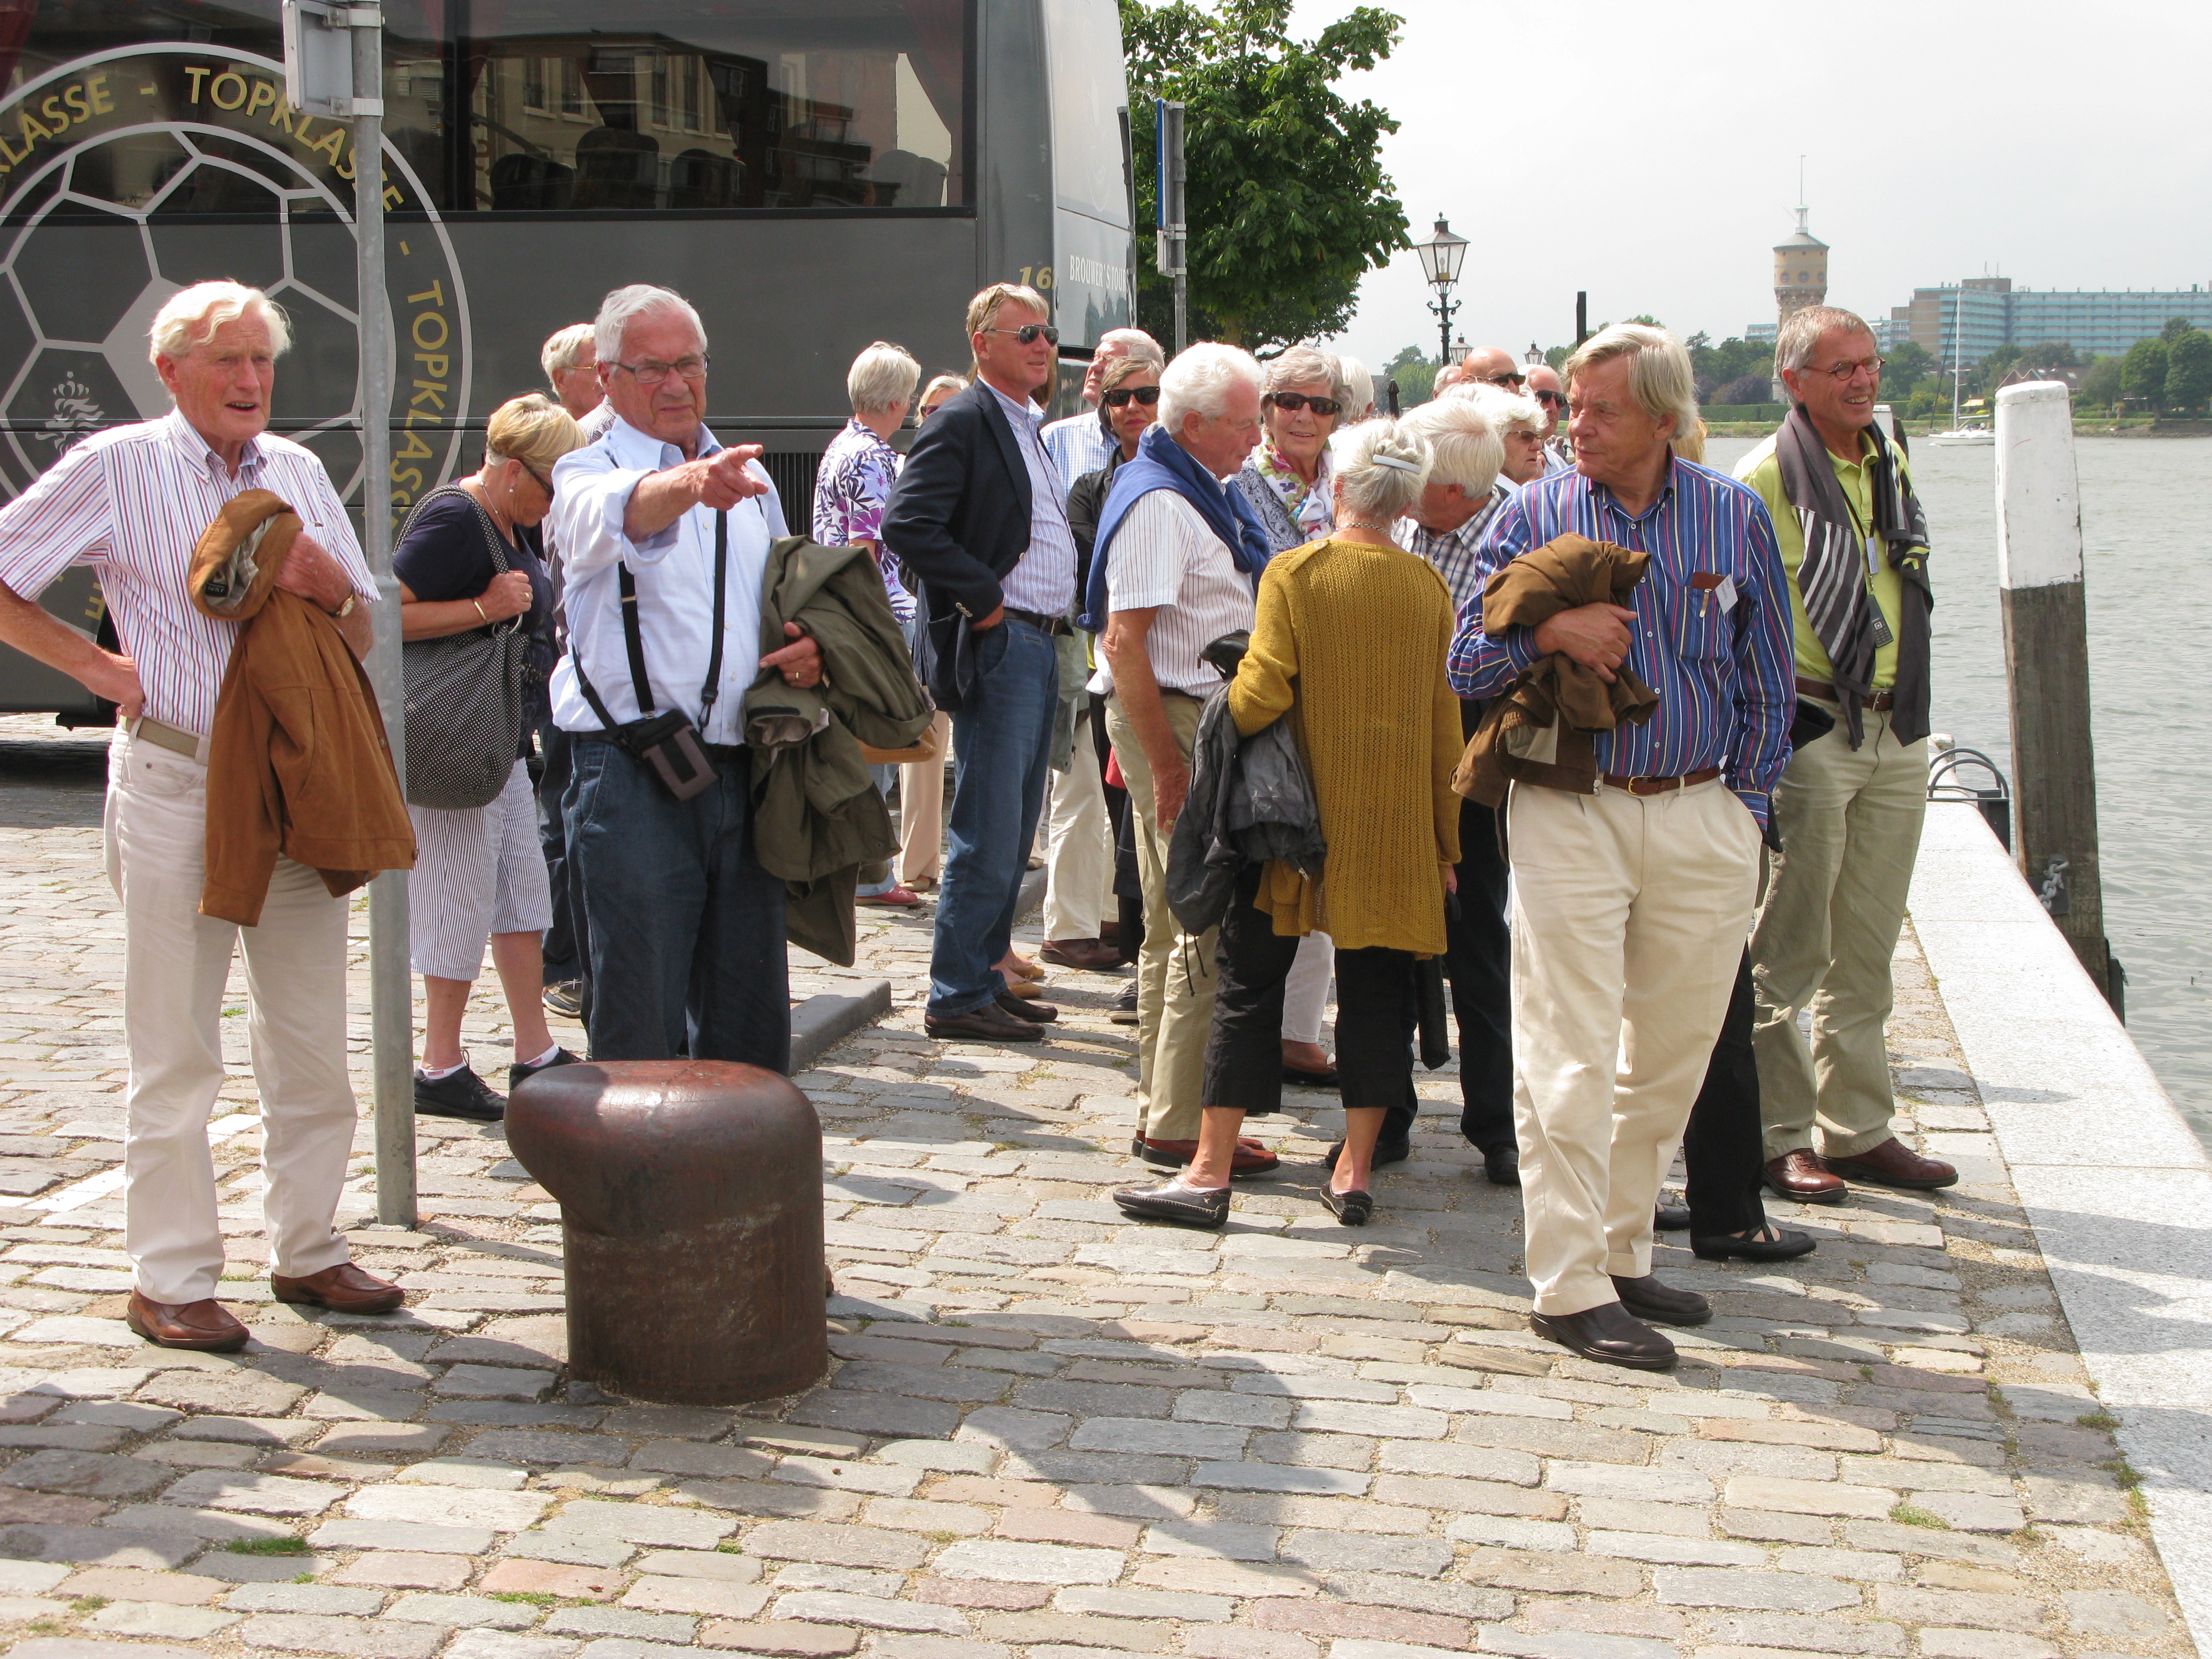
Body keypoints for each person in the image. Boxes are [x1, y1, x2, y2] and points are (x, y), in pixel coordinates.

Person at [0, 279, 406, 1350]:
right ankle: (171, 1278)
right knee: (178, 1047)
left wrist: (326, 585)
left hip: (295, 786)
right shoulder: (118, 465)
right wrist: (97, 669)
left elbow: (361, 634)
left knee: (312, 1040)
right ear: (169, 370)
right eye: (227, 358)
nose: (249, 379)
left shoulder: (299, 472)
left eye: (262, 359)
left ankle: (309, 1247)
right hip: (180, 780)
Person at [1450, 324, 1792, 1370]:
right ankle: (1567, 1286)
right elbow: (1464, 660)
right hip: (1571, 809)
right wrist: (1548, 633)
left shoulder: (1733, 515)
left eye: (1601, 409)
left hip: (1702, 811)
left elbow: (1770, 674)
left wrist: (1745, 804)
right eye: (1576, 405)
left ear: (1662, 417)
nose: (1576, 426)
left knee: (1674, 1054)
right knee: (1570, 1049)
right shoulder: (1532, 511)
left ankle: (1619, 1247)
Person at [1114, 421, 1460, 1229]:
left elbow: (1264, 688)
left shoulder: (1297, 572)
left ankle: (1208, 1171)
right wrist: (1445, 843)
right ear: (1405, 503)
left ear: (1338, 490)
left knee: (1248, 984)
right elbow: (1445, 725)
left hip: (1291, 825)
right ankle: (1355, 1170)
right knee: (1375, 997)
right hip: (1394, 827)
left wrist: (1217, 719)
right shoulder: (1427, 588)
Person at [547, 284, 823, 1066]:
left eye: (689, 365)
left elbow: (779, 599)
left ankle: (740, 1151)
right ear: (607, 379)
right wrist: (692, 484)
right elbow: (622, 513)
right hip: (632, 775)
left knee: (749, 1027)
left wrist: (806, 650)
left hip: (743, 769)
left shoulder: (747, 481)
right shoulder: (584, 471)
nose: (675, 384)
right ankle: (635, 1154)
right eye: (651, 369)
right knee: (638, 1026)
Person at [1735, 306, 1952, 1203]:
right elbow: (1735, 607)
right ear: (1795, 381)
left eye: (1870, 365)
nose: (1863, 381)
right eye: (1842, 369)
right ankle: (1778, 1135)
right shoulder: (1764, 477)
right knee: (1790, 944)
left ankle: (1858, 1128)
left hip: (1896, 725)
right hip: (1816, 725)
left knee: (1867, 942)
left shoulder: (1887, 460)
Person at [1092, 343, 1279, 1175]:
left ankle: (1168, 1114)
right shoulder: (1163, 502)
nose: (1257, 436)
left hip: (1187, 718)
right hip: (1173, 720)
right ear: (1194, 425)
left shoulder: (1197, 487)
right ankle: (1177, 1125)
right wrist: (1168, 768)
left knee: (1177, 922)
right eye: (1244, 422)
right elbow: (1123, 642)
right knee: (1200, 921)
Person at [881, 284, 1075, 1044]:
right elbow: (907, 524)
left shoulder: (1026, 424)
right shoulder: (963, 418)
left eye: (1047, 332)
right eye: (1025, 333)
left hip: (1039, 641)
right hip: (1002, 640)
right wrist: (984, 599)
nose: (1042, 343)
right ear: (981, 343)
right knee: (988, 828)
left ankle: (987, 973)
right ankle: (957, 993)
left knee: (1016, 825)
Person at [398, 394, 583, 1122]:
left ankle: (533, 1049)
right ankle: (438, 1065)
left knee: (520, 895)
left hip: (499, 743)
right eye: (550, 485)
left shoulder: (509, 519)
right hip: (453, 743)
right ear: (512, 471)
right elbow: (382, 612)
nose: (554, 502)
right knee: (456, 900)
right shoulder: (456, 519)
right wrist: (483, 608)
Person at [1392, 393, 1519, 1186]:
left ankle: (1497, 1125)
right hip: (1395, 743)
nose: (1400, 480)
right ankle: (1385, 1112)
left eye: (1414, 471)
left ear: (1455, 488)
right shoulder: (1407, 524)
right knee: (1385, 936)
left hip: (1472, 753)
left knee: (1477, 940)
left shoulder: (1512, 533)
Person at [1232, 347, 1348, 1086]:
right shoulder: (1239, 484)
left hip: (1340, 693)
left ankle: (1300, 1031)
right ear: (1267, 408)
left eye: (1321, 404)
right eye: (1289, 401)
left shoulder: (1353, 480)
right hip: (1269, 687)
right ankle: (1250, 1028)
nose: (1305, 416)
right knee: (1266, 857)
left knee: (1325, 856)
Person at [1046, 354, 1161, 973]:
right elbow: (1089, 558)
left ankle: (1140, 936)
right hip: (1103, 659)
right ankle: (1117, 935)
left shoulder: (1192, 482)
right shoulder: (1090, 488)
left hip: (1173, 663)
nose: (1132, 407)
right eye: (1119, 398)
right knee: (1104, 798)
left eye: (1146, 395)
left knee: (1157, 804)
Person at [815, 340, 926, 910]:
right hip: (875, 614)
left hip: (841, 611)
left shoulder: (841, 446)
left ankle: (861, 872)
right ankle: (868, 876)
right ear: (897, 399)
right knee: (877, 748)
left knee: (858, 749)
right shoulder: (873, 456)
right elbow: (867, 545)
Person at [894, 374, 967, 890]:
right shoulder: (908, 468)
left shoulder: (980, 466)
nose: (935, 419)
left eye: (947, 410)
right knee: (923, 746)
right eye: (928, 411)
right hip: (930, 621)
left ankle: (1024, 846)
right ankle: (917, 864)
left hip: (981, 622)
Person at [1044, 327, 1164, 487]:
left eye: (1109, 360)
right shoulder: (1056, 438)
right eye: (1096, 357)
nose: (1095, 366)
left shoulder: (1177, 444)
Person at [1458, 382, 1551, 487]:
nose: (1538, 446)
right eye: (1526, 436)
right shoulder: (1488, 496)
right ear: (1495, 441)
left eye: (1538, 436)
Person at [541, 322, 604, 425]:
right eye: (596, 368)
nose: (608, 377)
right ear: (561, 380)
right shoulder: (548, 434)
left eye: (612, 367)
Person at [1527, 363, 1573, 473]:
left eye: (1560, 400)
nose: (1553, 408)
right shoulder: (1499, 463)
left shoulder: (1561, 467)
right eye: (1544, 397)